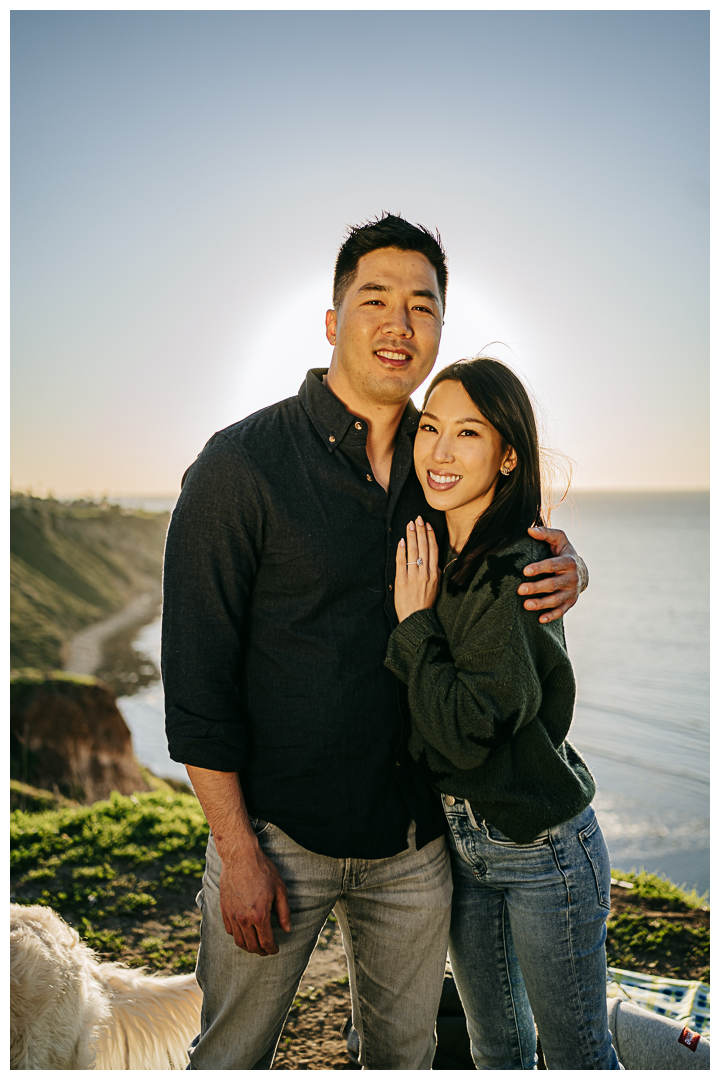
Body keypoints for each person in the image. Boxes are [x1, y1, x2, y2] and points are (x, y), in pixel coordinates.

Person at [161, 215, 588, 1070]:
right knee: (231, 1055)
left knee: (402, 1058)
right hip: (280, 842)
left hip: (417, 849)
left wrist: (569, 561)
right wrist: (239, 855)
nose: (400, 323)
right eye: (375, 300)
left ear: (438, 330)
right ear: (332, 320)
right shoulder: (239, 469)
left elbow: (504, 541)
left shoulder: (441, 472)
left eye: (422, 306)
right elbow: (196, 686)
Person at [385, 356, 619, 1070]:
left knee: (577, 1053)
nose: (441, 452)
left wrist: (413, 626)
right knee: (497, 1049)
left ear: (508, 454)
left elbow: (466, 729)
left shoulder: (514, 570)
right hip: (463, 846)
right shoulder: (436, 542)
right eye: (430, 429)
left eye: (468, 434)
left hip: (541, 848)